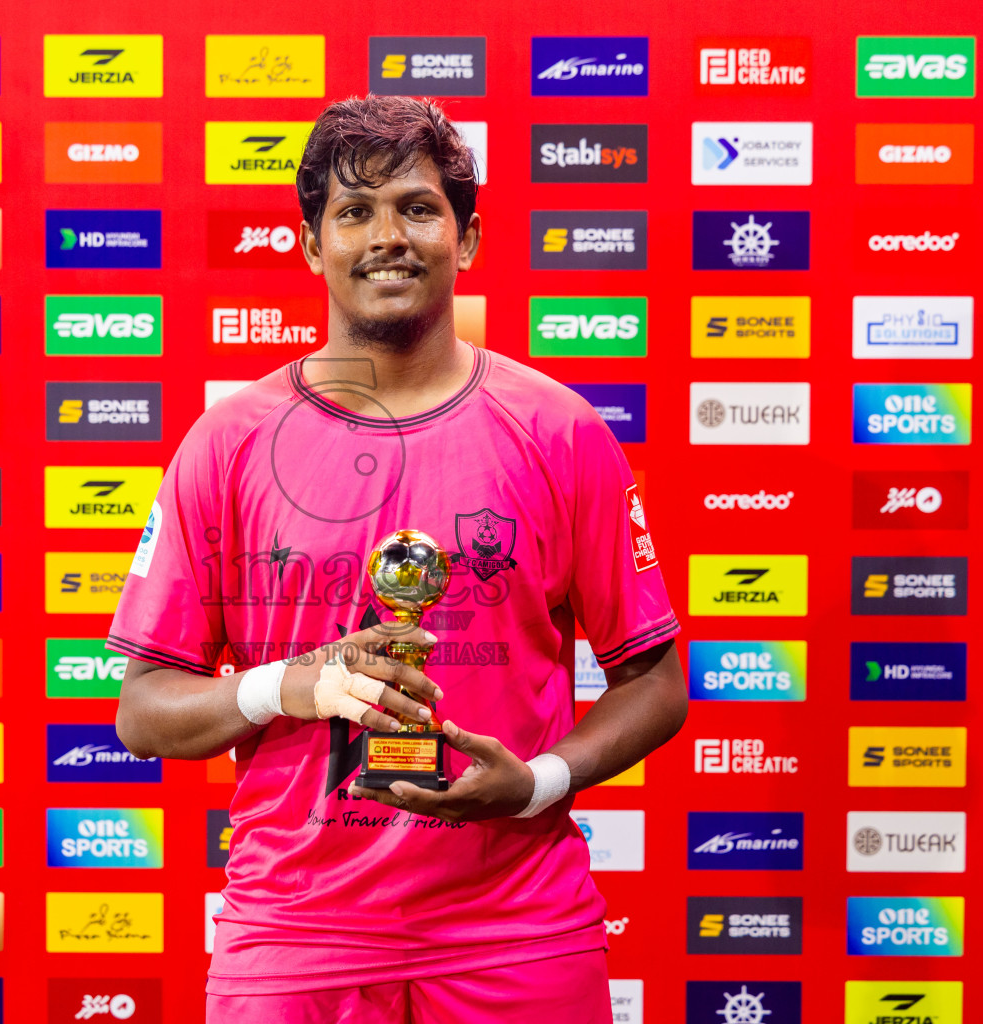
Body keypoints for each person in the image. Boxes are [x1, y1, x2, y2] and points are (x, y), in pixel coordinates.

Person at [112, 94, 686, 1023]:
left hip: (518, 931)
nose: (388, 237)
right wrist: (288, 686)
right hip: (294, 937)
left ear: (467, 239)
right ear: (312, 246)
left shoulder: (561, 432)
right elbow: (144, 714)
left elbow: (654, 683)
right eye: (356, 212)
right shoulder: (227, 445)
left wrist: (538, 784)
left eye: (418, 208)